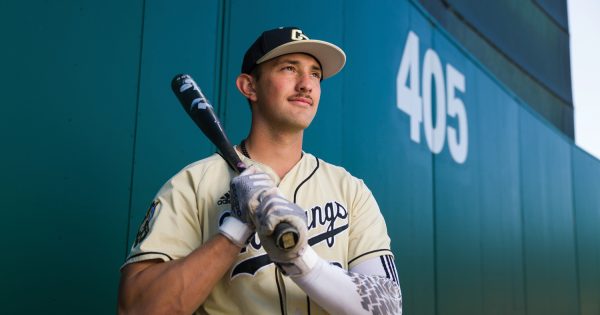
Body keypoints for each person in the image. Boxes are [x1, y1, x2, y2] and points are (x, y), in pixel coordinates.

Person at [118, 26, 402, 315]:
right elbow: (138, 308)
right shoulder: (193, 184)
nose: (306, 84)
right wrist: (235, 229)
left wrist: (301, 259)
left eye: (315, 73)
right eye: (289, 68)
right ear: (249, 86)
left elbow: (386, 308)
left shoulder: (351, 190)